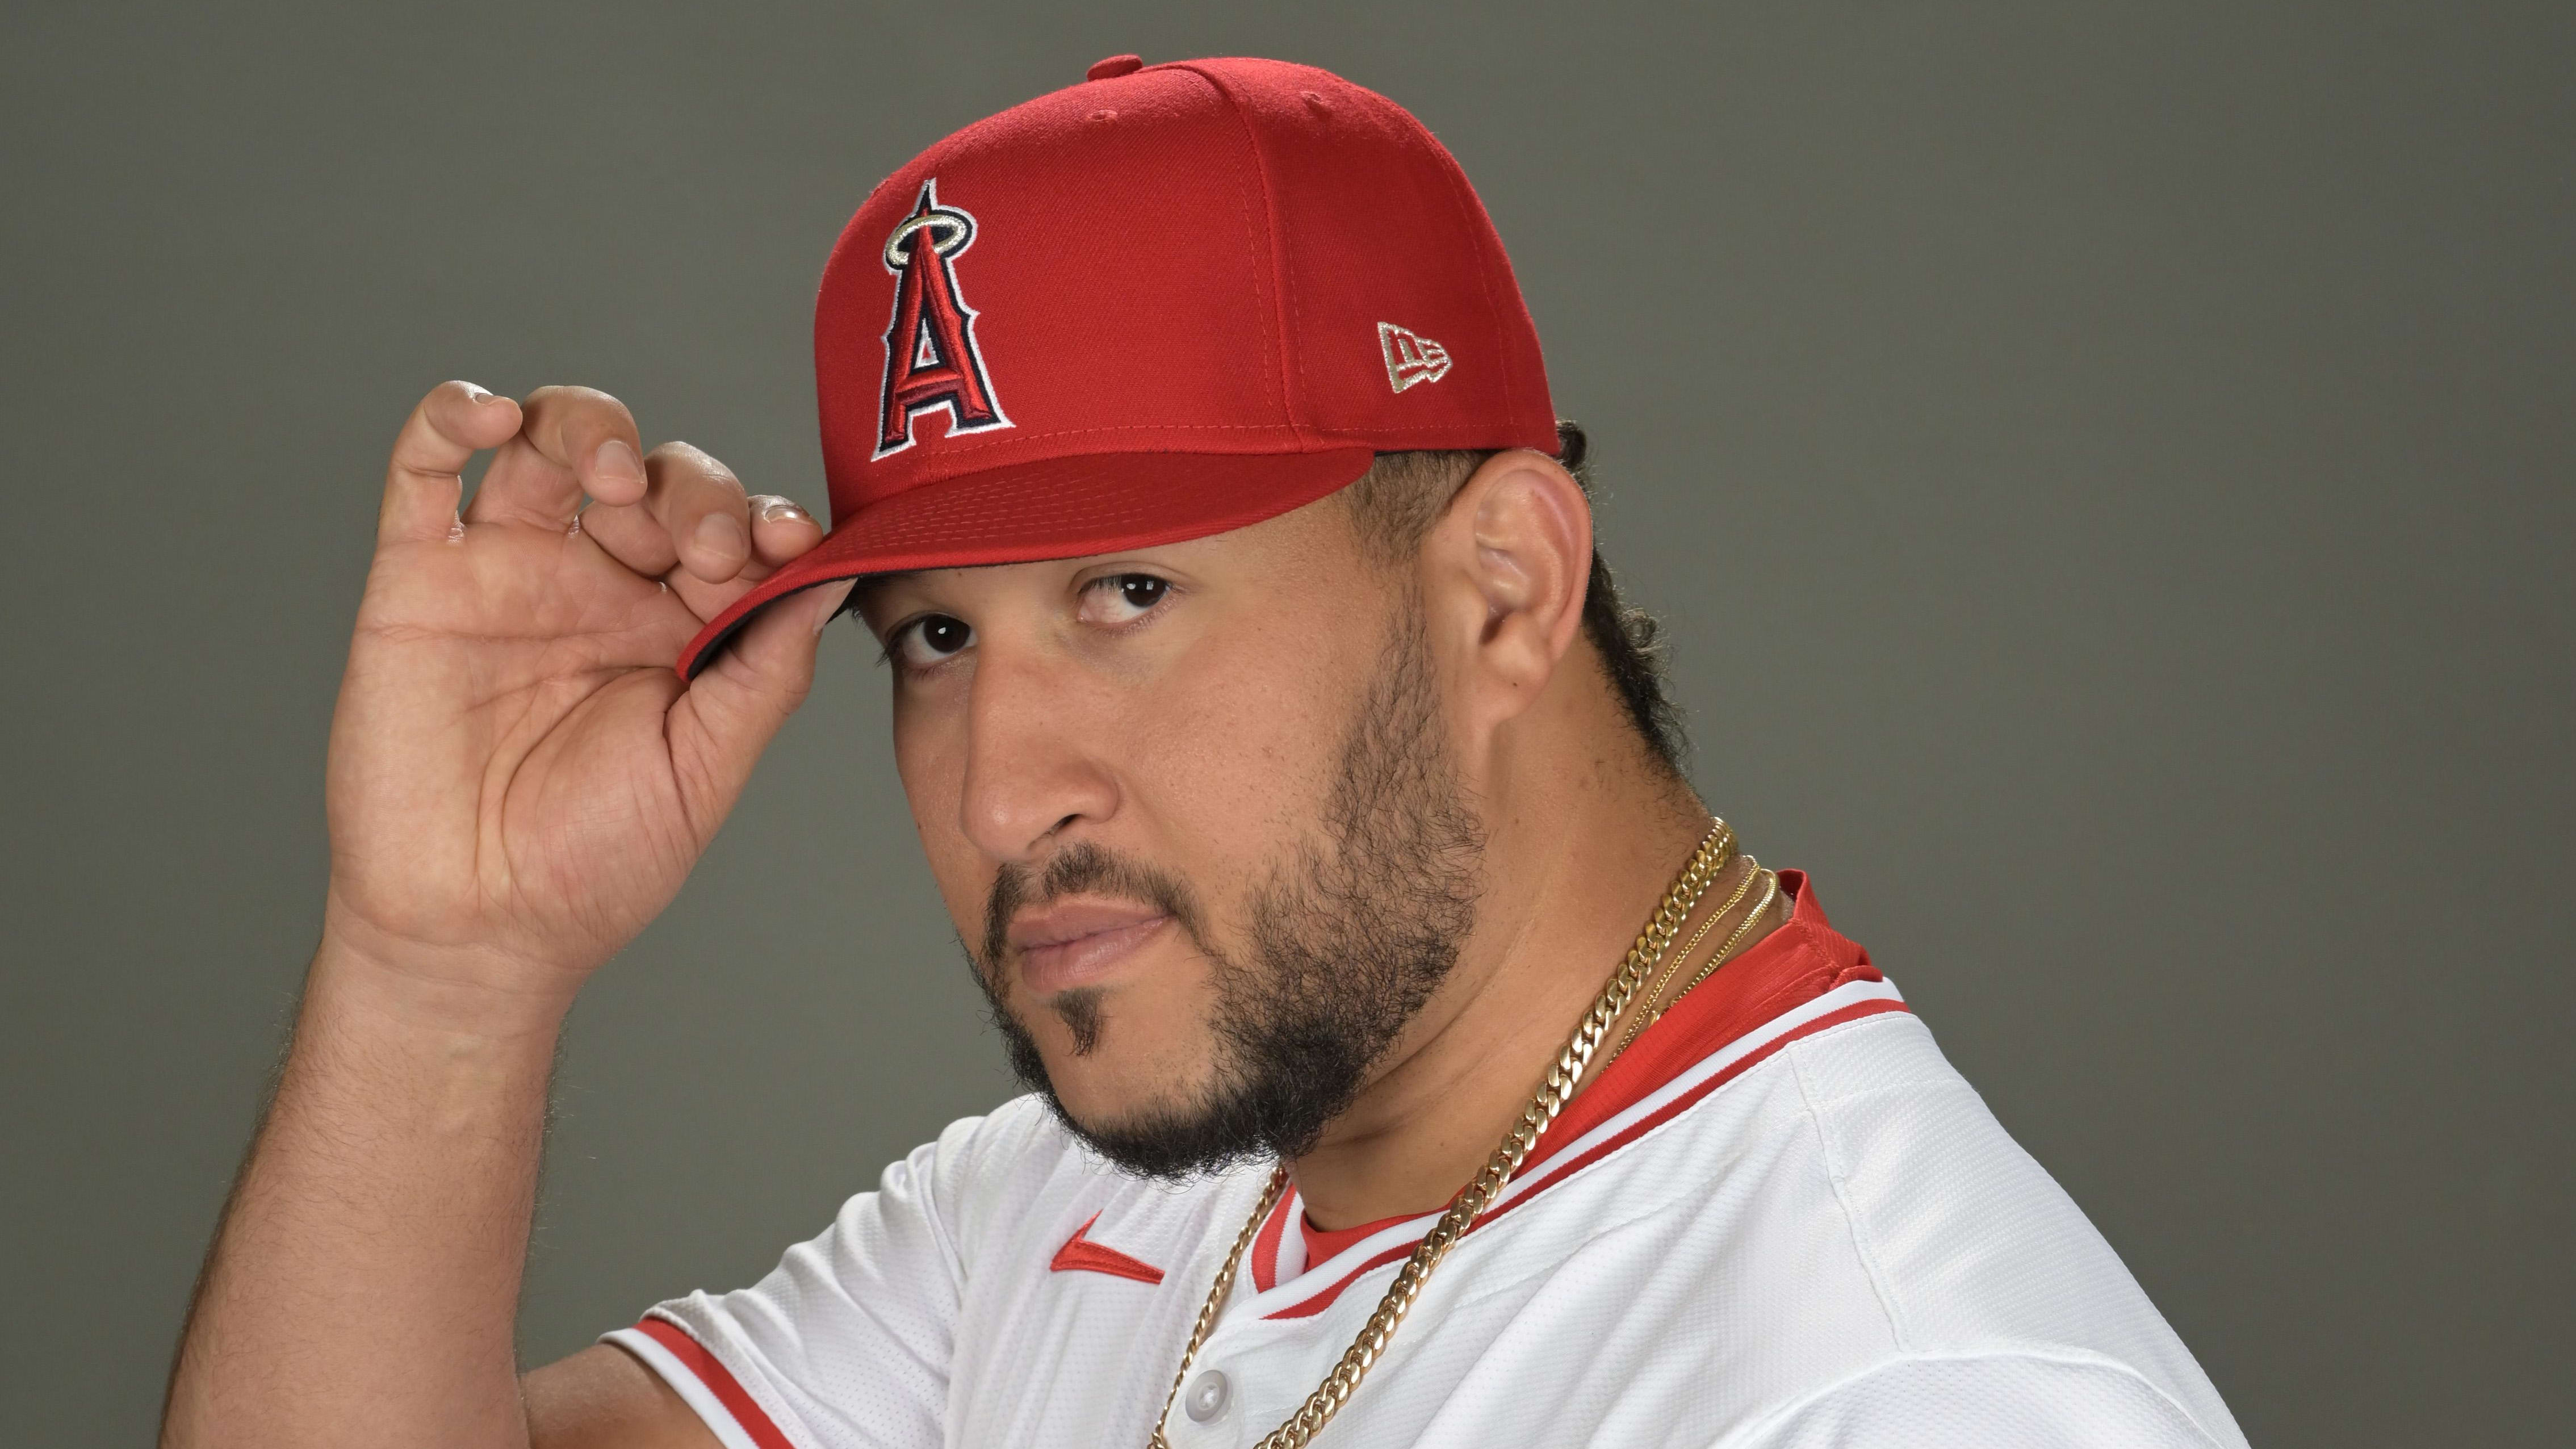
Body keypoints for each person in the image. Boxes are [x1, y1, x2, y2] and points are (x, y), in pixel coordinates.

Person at [160, 55, 2247, 1449]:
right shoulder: (1068, 1212)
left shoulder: (1907, 1393)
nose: (997, 793)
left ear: (1503, 590)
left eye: (1128, 599)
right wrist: (442, 973)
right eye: (939, 640)